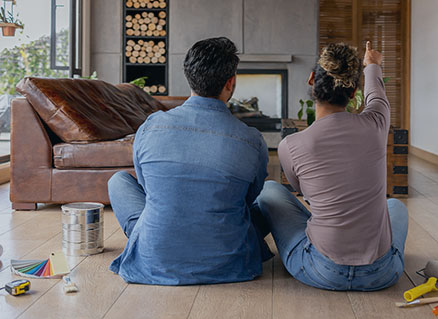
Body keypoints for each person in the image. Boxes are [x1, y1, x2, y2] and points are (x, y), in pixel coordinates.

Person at [109, 36, 272, 285]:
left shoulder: (150, 126)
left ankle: (153, 239)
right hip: (229, 264)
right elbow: (250, 196)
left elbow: (148, 188)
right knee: (271, 195)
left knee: (119, 181)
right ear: (231, 82)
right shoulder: (252, 140)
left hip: (155, 258)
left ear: (190, 77)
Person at [255, 41, 408, 291]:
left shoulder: (290, 145)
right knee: (396, 206)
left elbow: (303, 191)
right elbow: (376, 95)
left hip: (321, 270)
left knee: (270, 190)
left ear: (312, 79)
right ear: (352, 93)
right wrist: (372, 64)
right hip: (381, 273)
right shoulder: (377, 123)